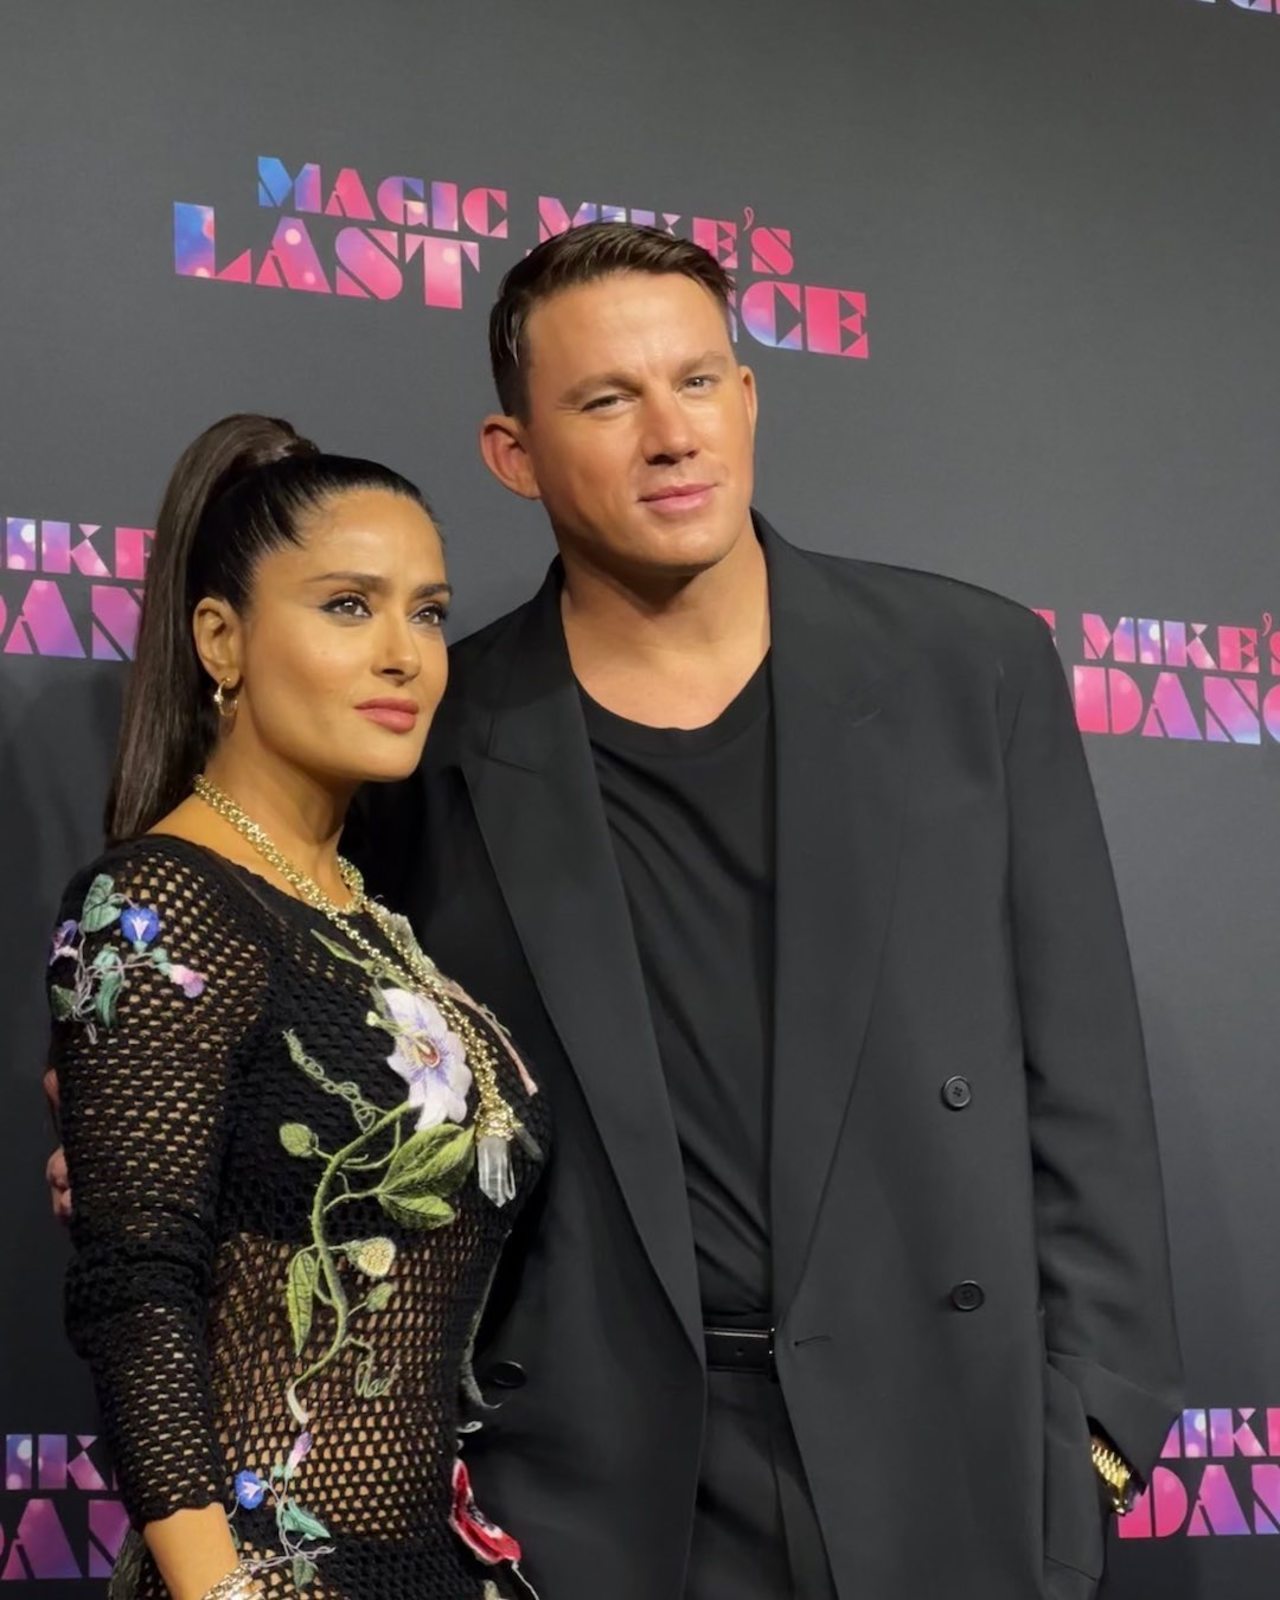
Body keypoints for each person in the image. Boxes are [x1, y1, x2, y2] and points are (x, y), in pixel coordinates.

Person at [49, 223, 1183, 1600]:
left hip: (945, 1464)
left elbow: (1084, 1078)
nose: (670, 435)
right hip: (592, 1501)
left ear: (748, 399)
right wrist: (160, 1141)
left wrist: (1093, 1443)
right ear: (512, 452)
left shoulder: (969, 669)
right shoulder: (428, 739)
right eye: (605, 399)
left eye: (697, 382)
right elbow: (305, 1031)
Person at [43, 415, 547, 1600]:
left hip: (432, 1567)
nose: (404, 654)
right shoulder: (156, 903)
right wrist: (221, 1592)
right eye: (348, 606)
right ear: (220, 638)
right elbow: (134, 1293)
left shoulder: (367, 913)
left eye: (428, 611)